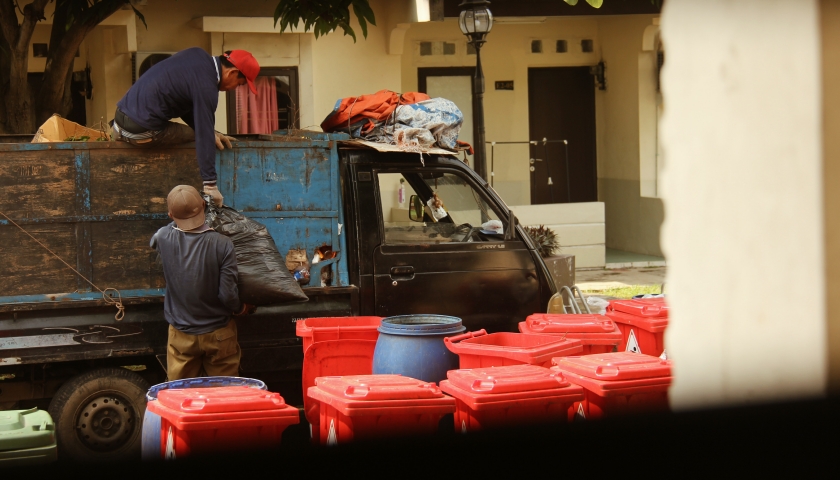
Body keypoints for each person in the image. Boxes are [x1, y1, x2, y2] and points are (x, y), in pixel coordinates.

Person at [112, 48, 261, 207]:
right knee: (200, 136)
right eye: (239, 84)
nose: (234, 88)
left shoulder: (196, 55)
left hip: (120, 120)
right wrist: (210, 185)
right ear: (232, 72)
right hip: (141, 131)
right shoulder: (207, 86)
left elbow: (185, 105)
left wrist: (212, 131)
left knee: (206, 133)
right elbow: (203, 135)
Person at [151, 184, 255, 380]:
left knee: (182, 394)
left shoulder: (163, 236)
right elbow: (227, 295)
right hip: (219, 335)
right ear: (203, 206)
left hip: (181, 336)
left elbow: (155, 240)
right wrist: (241, 308)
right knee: (223, 394)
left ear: (170, 215)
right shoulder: (222, 244)